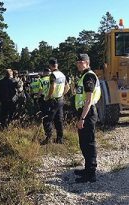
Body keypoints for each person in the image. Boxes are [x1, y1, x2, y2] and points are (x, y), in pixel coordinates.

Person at [73, 53, 101, 183]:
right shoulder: (84, 75)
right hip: (85, 113)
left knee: (89, 143)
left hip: (87, 113)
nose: (79, 64)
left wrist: (82, 118)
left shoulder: (88, 76)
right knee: (84, 143)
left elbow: (89, 100)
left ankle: (91, 174)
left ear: (87, 62)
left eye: (81, 62)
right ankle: (87, 169)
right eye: (78, 62)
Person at [40, 58, 70, 145]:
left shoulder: (53, 75)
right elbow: (67, 87)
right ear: (57, 65)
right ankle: (60, 139)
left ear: (50, 65)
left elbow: (52, 87)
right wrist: (62, 94)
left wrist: (48, 97)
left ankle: (48, 138)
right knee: (59, 120)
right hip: (60, 99)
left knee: (47, 119)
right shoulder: (62, 74)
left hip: (53, 100)